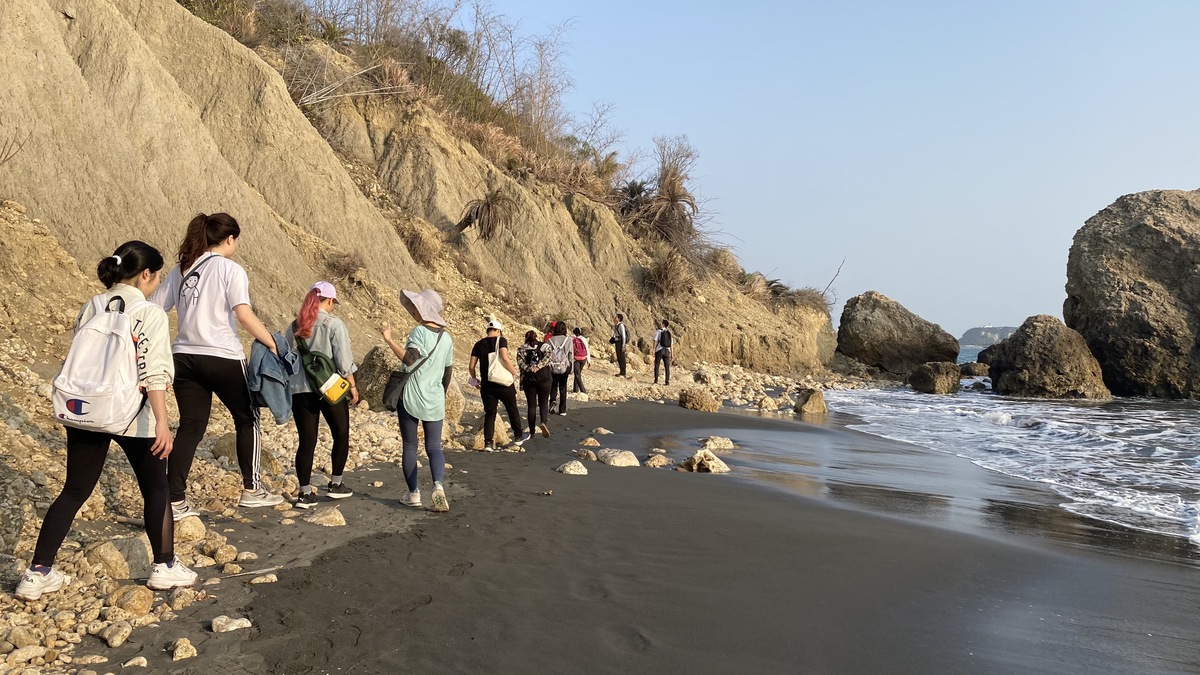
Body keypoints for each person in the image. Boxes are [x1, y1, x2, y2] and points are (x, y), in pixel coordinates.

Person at [16, 242, 198, 601]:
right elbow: (154, 372)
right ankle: (164, 566)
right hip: (131, 411)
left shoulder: (91, 306)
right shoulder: (149, 313)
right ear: (146, 275)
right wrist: (162, 423)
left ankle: (37, 573)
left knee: (74, 490)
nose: (156, 284)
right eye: (157, 277)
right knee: (157, 488)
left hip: (86, 407)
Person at [150, 213, 285, 520]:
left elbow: (156, 309)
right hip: (222, 354)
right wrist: (273, 344)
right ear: (230, 239)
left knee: (191, 427)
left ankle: (174, 500)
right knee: (247, 417)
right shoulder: (231, 270)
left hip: (184, 357)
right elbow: (243, 315)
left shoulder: (182, 269)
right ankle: (252, 490)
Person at [284, 282, 358, 509]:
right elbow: (343, 363)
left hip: (300, 390)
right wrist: (353, 387)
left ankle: (304, 493)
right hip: (330, 387)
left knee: (307, 441)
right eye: (333, 303)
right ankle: (336, 484)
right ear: (328, 301)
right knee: (341, 434)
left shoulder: (294, 326)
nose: (333, 307)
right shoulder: (334, 325)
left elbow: (287, 358)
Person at [381, 289, 454, 512]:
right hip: (434, 399)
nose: (413, 310)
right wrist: (440, 394)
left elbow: (409, 359)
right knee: (434, 447)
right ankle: (438, 486)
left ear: (423, 310)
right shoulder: (447, 338)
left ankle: (413, 494)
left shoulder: (419, 332)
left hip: (412, 396)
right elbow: (447, 374)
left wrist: (389, 340)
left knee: (410, 446)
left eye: (416, 307)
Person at [468, 319, 528, 451]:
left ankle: (488, 443)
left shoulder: (478, 344)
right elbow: (504, 357)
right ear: (498, 331)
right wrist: (514, 372)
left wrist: (474, 379)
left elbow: (471, 366)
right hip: (503, 383)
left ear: (487, 330)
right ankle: (518, 436)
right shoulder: (501, 340)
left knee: (490, 413)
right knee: (512, 408)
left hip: (487, 385)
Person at [517, 330, 552, 438]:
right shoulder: (545, 346)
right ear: (537, 337)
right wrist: (539, 366)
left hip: (529, 380)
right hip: (544, 378)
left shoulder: (522, 349)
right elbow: (548, 358)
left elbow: (520, 363)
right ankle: (543, 423)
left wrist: (529, 368)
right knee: (544, 402)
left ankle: (532, 431)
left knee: (531, 406)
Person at [546, 322, 573, 416]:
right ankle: (562, 410)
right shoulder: (568, 340)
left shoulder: (550, 340)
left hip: (553, 366)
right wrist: (571, 368)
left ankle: (552, 401)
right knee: (563, 387)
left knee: (553, 385)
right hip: (564, 367)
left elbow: (547, 355)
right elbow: (570, 355)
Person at [653, 319, 673, 385]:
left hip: (659, 350)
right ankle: (667, 381)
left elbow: (655, 341)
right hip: (667, 351)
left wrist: (653, 349)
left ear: (663, 324)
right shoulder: (669, 333)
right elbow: (671, 344)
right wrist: (672, 354)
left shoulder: (658, 332)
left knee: (657, 365)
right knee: (667, 366)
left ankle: (656, 380)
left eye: (661, 323)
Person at [571, 327, 590, 393]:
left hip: (576, 358)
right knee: (578, 373)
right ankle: (575, 389)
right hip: (583, 358)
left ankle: (583, 390)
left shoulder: (571, 338)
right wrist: (588, 360)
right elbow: (587, 349)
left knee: (577, 374)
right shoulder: (584, 339)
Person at [611, 313, 630, 377]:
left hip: (620, 342)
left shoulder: (621, 325)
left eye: (616, 317)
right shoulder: (617, 325)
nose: (614, 318)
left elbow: (624, 336)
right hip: (617, 342)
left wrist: (623, 346)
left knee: (622, 357)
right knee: (619, 357)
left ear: (619, 319)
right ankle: (621, 371)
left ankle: (623, 372)